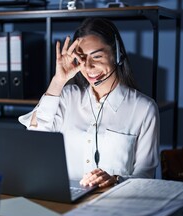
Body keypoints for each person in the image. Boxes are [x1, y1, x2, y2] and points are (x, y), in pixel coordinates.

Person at [19, 18, 159, 188]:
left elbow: (145, 175)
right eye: (82, 59)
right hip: (67, 200)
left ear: (117, 55)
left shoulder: (144, 109)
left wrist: (116, 180)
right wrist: (58, 81)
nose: (89, 67)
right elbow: (34, 138)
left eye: (97, 56)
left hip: (116, 204)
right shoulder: (67, 97)